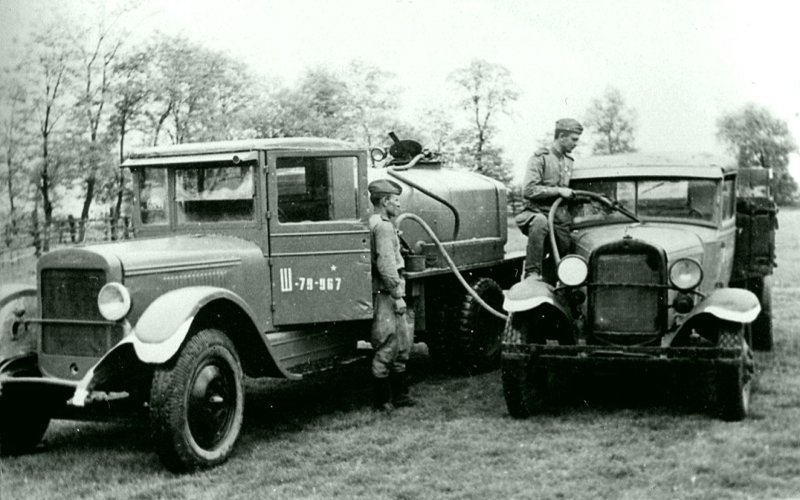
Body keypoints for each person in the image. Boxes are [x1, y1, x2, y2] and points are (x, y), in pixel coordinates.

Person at [367, 178, 415, 412]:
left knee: (400, 344)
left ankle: (399, 396)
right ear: (385, 201)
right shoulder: (383, 227)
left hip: (385, 292)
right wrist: (397, 294)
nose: (399, 206)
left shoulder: (376, 223)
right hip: (386, 293)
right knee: (388, 345)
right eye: (396, 201)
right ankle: (383, 401)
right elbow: (386, 264)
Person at [516, 118, 584, 281]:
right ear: (561, 136)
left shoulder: (569, 162)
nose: (576, 144)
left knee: (565, 251)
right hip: (535, 213)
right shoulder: (540, 158)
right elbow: (529, 190)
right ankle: (532, 273)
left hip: (560, 220)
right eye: (574, 139)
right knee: (540, 223)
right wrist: (558, 191)